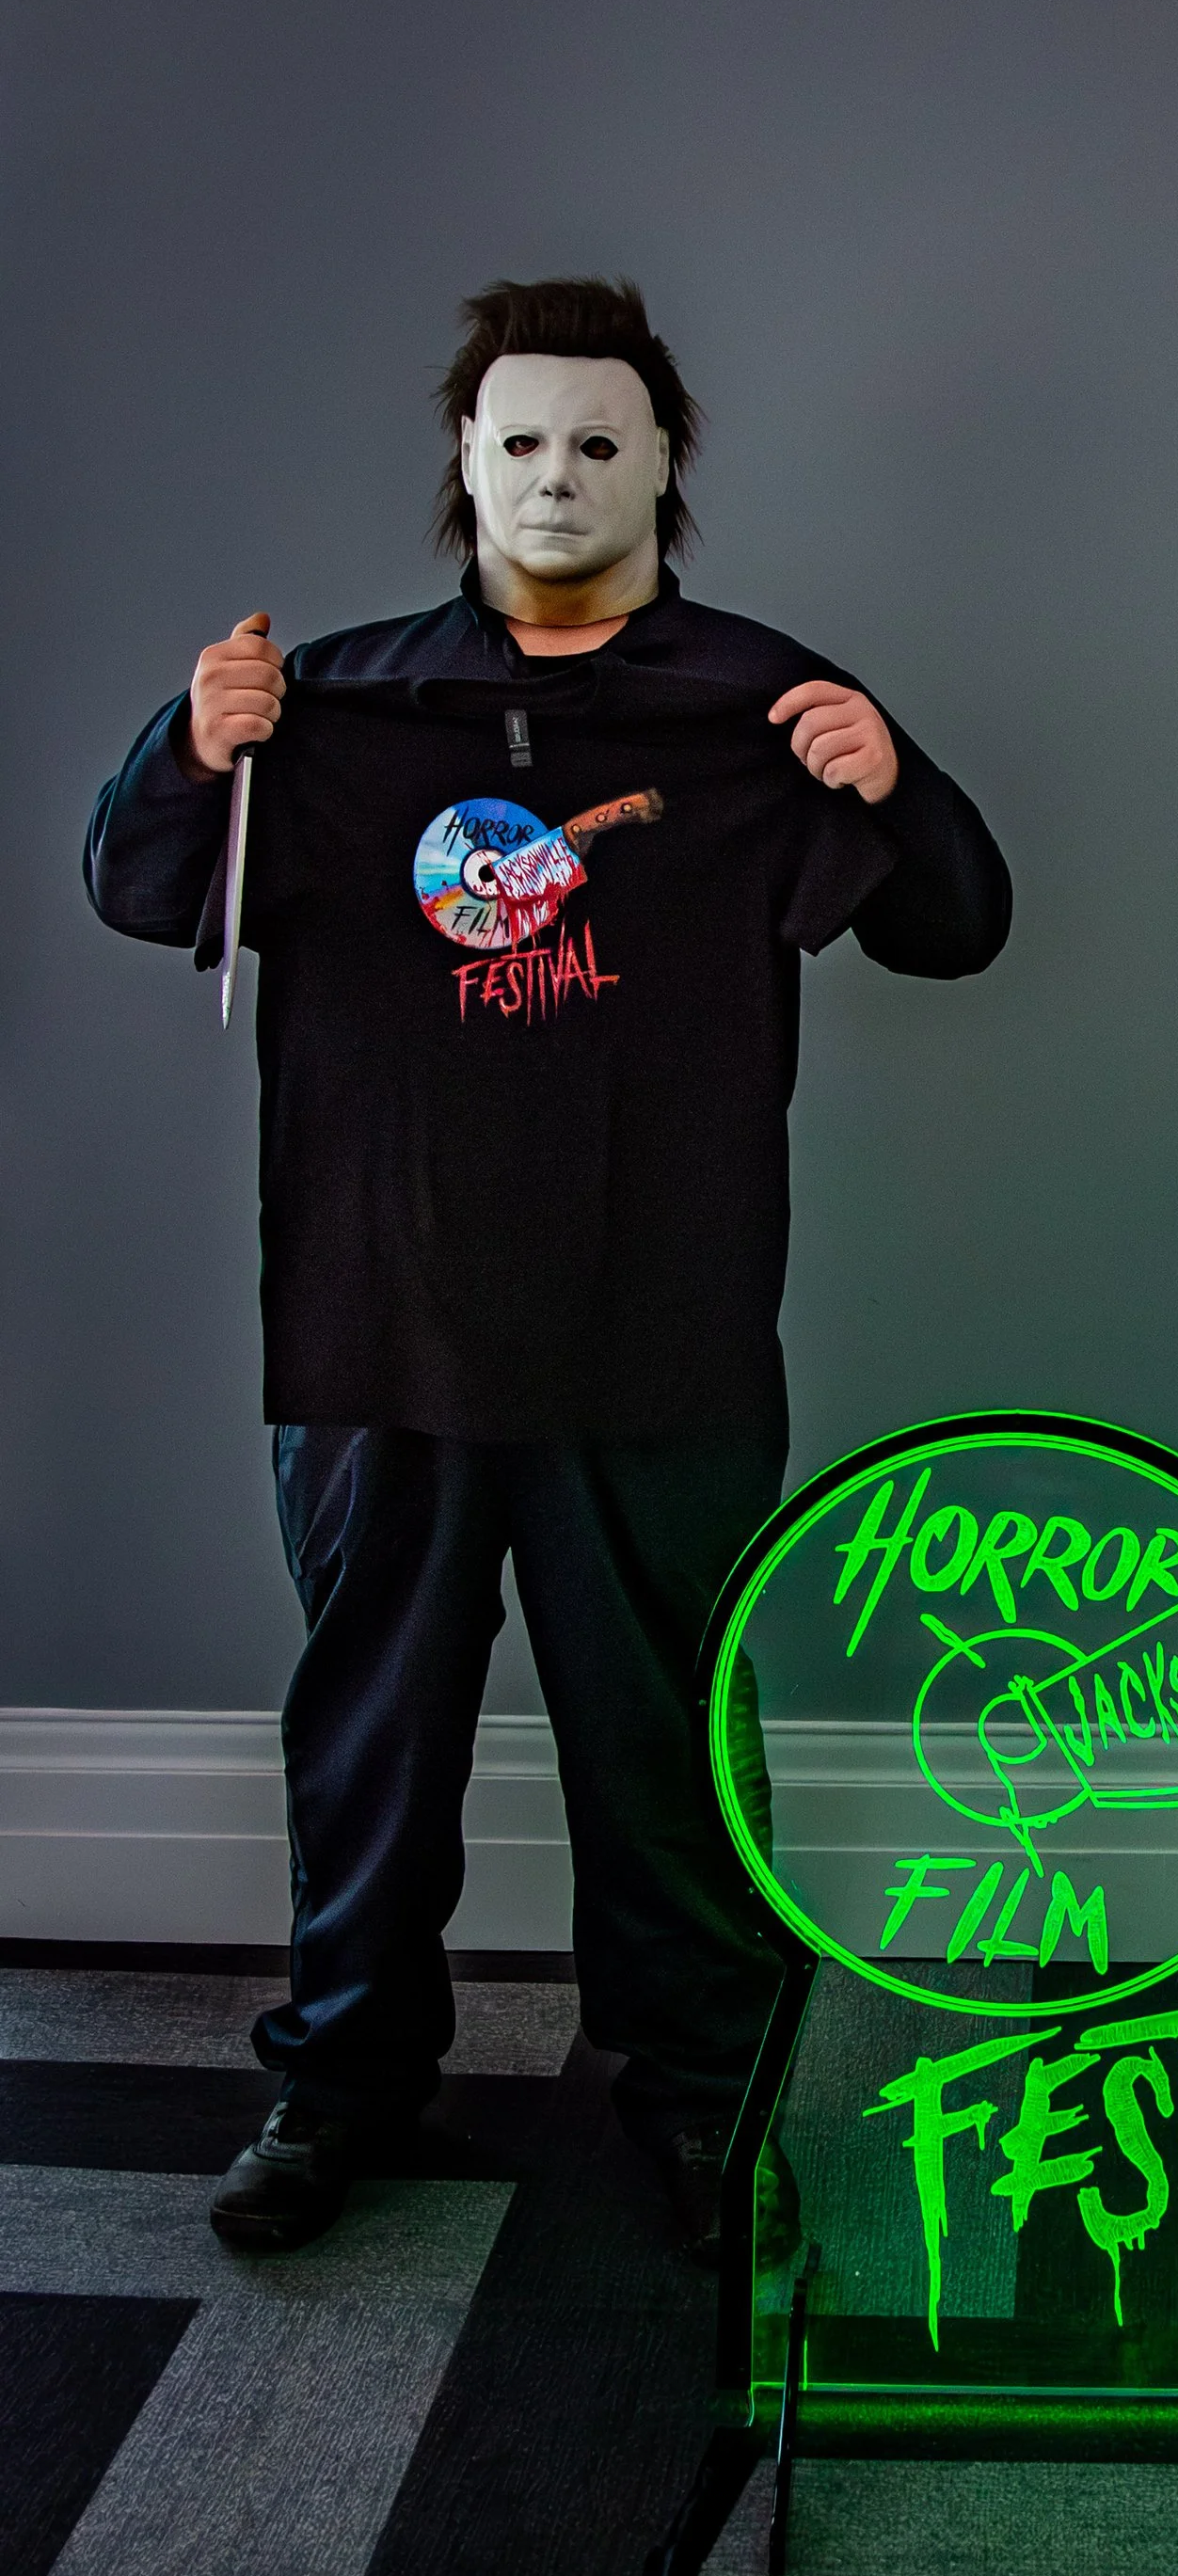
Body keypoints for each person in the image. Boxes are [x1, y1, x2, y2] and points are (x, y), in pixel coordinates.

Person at [85, 277, 1011, 2259]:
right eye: (519, 441)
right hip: (376, 1325)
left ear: (667, 465)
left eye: (601, 440)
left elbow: (953, 926)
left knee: (666, 1737)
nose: (557, 476)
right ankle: (336, 2081)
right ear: (463, 464)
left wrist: (890, 778)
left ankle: (700, 2097)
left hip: (652, 1330)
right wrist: (187, 748)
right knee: (366, 1739)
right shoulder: (331, 703)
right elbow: (140, 886)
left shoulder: (754, 707)